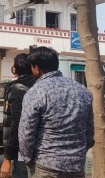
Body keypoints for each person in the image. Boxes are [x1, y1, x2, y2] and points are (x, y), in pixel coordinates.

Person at [19, 47, 93, 177]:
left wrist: (27, 159)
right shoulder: (82, 91)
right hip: (76, 166)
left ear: (36, 68)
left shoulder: (36, 92)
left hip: (46, 167)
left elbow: (26, 133)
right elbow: (89, 130)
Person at [1, 53, 37, 178]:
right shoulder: (39, 85)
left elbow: (16, 124)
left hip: (22, 153)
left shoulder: (17, 89)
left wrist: (7, 158)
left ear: (15, 69)